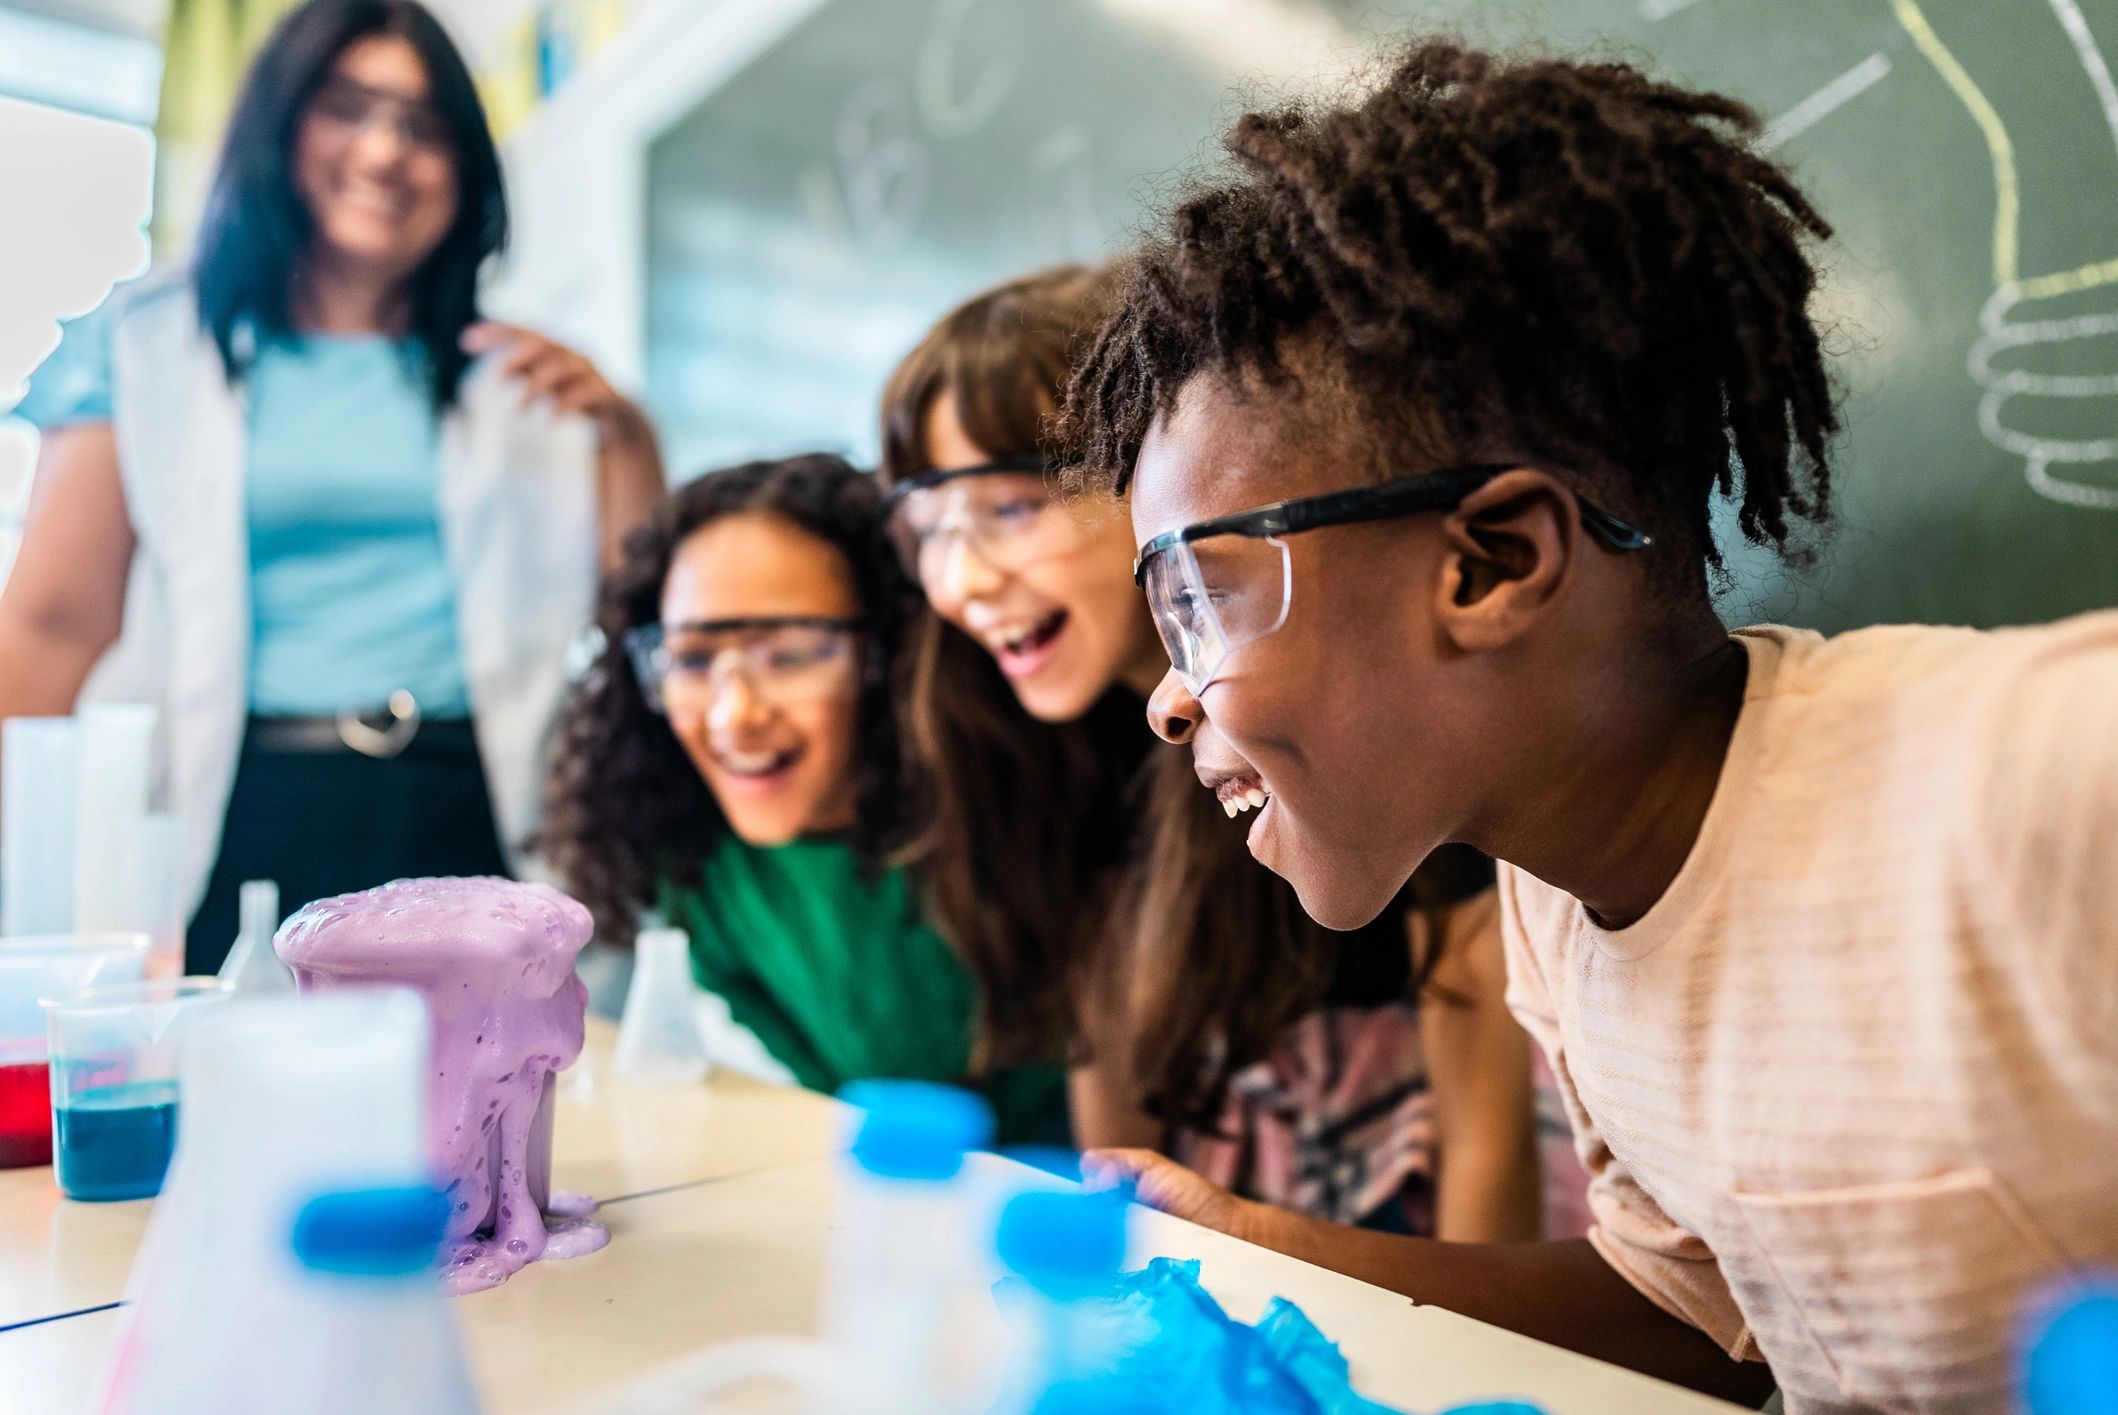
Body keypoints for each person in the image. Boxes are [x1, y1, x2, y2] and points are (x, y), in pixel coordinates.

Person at [1059, 40, 2118, 1412]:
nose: (1164, 690)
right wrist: (1263, 1243)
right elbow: (1694, 1305)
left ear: (1490, 563)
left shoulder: (2030, 775)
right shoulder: (1558, 895)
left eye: (1199, 596)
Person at [880, 266, 1551, 1239]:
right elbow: (1110, 1091)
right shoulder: (1027, 739)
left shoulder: (1350, 687)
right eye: (927, 528)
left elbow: (1482, 1086)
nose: (961, 578)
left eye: (1012, 508)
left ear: (1155, 475)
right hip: (1229, 1235)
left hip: (1433, 1222)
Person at [0, 0, 663, 970]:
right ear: (277, 125)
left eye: (425, 125)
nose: (386, 150)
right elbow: (51, 627)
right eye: (347, 107)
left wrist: (628, 434)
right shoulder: (148, 347)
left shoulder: (525, 377)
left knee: (480, 1108)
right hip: (242, 803)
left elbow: (642, 622)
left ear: (467, 165)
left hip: (469, 806)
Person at [540, 456, 1067, 1144]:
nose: (733, 715)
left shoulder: (1015, 818)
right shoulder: (694, 857)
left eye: (788, 653)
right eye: (693, 660)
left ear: (884, 655)